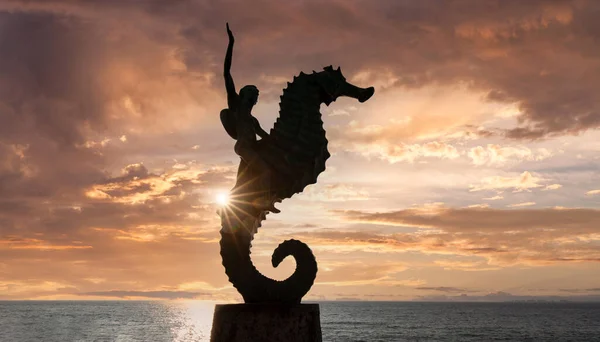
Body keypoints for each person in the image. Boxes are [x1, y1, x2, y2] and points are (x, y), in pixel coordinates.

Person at [220, 23, 280, 213]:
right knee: (264, 171)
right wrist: (231, 43)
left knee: (242, 184)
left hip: (251, 148)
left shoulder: (253, 121)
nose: (256, 97)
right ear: (245, 95)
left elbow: (266, 137)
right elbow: (226, 73)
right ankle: (264, 200)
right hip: (243, 147)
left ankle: (229, 207)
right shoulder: (236, 107)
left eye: (257, 95)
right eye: (253, 93)